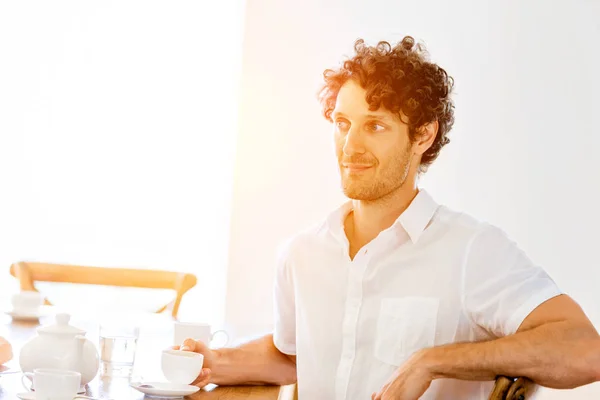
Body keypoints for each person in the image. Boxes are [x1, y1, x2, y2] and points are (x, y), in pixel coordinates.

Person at [178, 37, 600, 399]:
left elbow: (585, 350)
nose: (350, 147)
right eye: (343, 123)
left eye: (375, 126)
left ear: (423, 135)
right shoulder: (301, 253)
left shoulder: (472, 250)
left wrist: (433, 361)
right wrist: (216, 361)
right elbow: (293, 356)